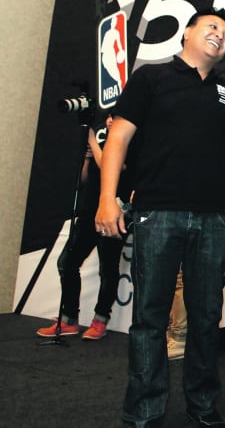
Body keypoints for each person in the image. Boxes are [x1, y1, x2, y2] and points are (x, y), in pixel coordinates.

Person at [96, 7, 225, 428]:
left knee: (205, 317)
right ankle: (144, 412)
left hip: (212, 219)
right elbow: (118, 136)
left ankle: (203, 405)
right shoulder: (151, 77)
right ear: (187, 33)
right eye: (212, 27)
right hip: (157, 213)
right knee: (149, 319)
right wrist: (106, 198)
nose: (220, 35)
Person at [36, 111, 127, 341]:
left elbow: (108, 166)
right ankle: (69, 319)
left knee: (107, 269)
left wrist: (92, 141)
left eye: (115, 118)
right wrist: (87, 158)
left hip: (111, 215)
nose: (109, 121)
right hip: (88, 214)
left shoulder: (124, 146)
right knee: (67, 262)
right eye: (108, 117)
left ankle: (100, 320)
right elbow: (86, 180)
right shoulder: (102, 146)